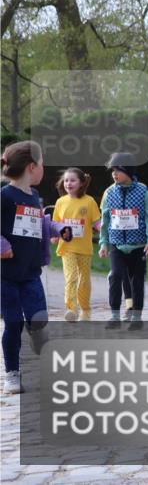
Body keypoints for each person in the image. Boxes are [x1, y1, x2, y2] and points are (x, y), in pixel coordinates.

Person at [1, 141, 71, 394]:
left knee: (39, 318)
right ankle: (12, 372)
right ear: (32, 166)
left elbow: (41, 223)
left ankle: (37, 333)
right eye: (42, 164)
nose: (44, 169)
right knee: (12, 323)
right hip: (6, 276)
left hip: (31, 273)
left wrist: (58, 229)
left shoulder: (33, 197)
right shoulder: (4, 196)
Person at [99, 152, 148, 330]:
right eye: (112, 171)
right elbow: (105, 220)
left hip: (139, 246)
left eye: (118, 170)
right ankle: (115, 315)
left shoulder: (143, 192)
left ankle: (136, 317)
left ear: (129, 171)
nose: (114, 174)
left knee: (137, 280)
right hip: (117, 245)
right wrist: (104, 243)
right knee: (116, 276)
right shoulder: (109, 193)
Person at [53, 167, 101, 321]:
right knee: (71, 276)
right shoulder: (60, 202)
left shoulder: (89, 201)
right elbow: (55, 223)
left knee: (84, 280)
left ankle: (85, 311)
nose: (68, 183)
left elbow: (97, 222)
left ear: (81, 183)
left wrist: (103, 231)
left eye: (72, 180)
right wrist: (54, 235)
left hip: (85, 248)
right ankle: (71, 310)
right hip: (67, 247)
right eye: (66, 180)